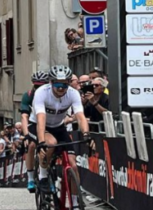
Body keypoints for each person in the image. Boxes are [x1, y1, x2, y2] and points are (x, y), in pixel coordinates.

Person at [33, 65, 95, 208]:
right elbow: (41, 118)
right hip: (42, 125)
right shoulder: (42, 93)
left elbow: (80, 116)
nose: (61, 88)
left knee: (73, 165)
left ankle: (74, 202)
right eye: (58, 84)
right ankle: (43, 176)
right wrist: (42, 141)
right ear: (51, 83)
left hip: (59, 126)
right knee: (51, 143)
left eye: (65, 85)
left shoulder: (72, 93)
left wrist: (86, 134)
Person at [20, 70, 48, 193]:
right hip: (34, 123)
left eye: (42, 86)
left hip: (49, 123)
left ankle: (49, 174)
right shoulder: (28, 96)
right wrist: (26, 135)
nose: (39, 88)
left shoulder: (51, 94)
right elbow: (24, 117)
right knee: (31, 145)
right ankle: (30, 178)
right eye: (37, 86)